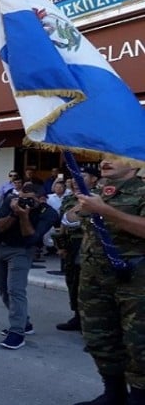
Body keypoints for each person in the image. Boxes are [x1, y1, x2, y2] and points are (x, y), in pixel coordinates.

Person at [68, 159, 145, 405]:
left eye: (114, 156)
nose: (105, 161)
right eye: (103, 156)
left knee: (138, 344)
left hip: (135, 282)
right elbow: (69, 219)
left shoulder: (142, 192)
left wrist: (105, 211)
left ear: (135, 164)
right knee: (100, 338)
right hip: (94, 278)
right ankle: (113, 393)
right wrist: (82, 208)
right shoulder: (97, 192)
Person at [0, 183, 58, 350]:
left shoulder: (49, 213)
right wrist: (14, 213)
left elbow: (30, 237)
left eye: (30, 200)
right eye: (22, 199)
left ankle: (17, 332)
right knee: (3, 289)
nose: (25, 203)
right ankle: (25, 323)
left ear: (42, 199)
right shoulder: (11, 202)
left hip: (21, 251)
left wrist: (24, 216)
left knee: (15, 290)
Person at [54, 166, 100, 332]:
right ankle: (77, 316)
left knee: (87, 285)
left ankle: (91, 323)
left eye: (81, 176)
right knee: (72, 281)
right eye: (74, 176)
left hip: (90, 245)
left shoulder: (98, 196)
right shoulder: (69, 199)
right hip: (72, 246)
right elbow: (63, 224)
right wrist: (61, 246)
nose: (75, 179)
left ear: (94, 179)